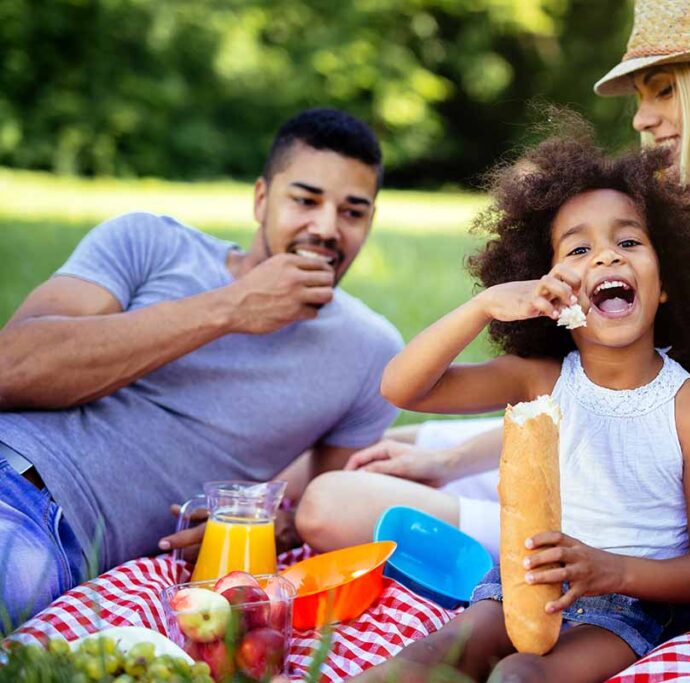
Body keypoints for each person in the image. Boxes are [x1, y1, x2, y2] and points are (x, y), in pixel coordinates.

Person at [300, 0, 690, 594]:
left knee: (329, 503)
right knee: (361, 451)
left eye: (662, 91)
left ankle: (512, 562)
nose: (641, 120)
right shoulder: (678, 195)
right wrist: (451, 462)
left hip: (632, 525)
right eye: (639, 99)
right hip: (579, 453)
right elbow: (602, 400)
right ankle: (242, 511)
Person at [350, 134, 690, 682]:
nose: (606, 254)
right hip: (527, 584)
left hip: (637, 607)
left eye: (629, 242)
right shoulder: (540, 380)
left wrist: (611, 570)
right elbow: (402, 388)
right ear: (550, 286)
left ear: (668, 283)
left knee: (519, 676)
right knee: (419, 662)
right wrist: (485, 306)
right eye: (578, 250)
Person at [0, 108, 402, 625]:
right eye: (304, 200)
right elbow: (11, 369)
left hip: (55, 537)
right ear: (261, 199)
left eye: (352, 212)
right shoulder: (150, 243)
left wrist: (272, 524)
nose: (325, 228)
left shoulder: (371, 354)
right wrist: (232, 308)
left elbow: (321, 505)